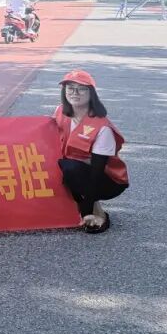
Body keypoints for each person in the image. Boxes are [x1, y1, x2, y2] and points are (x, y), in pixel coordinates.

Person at [54, 70, 129, 233]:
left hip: (106, 180)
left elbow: (96, 173)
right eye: (70, 88)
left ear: (91, 93)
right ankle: (72, 206)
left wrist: (86, 209)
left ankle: (99, 214)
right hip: (77, 170)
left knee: (70, 168)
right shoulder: (60, 111)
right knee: (59, 166)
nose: (74, 93)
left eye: (81, 89)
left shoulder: (102, 127)